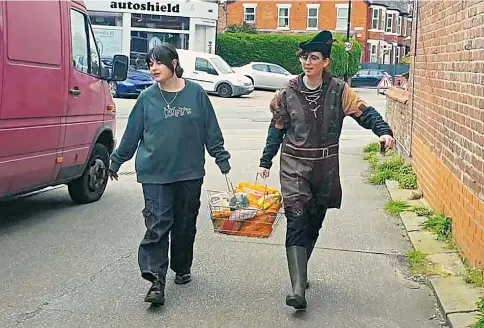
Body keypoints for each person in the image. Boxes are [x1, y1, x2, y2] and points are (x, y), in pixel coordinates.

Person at [257, 30, 395, 310]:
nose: (308, 62)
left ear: (326, 62)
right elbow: (277, 129)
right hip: (294, 164)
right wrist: (265, 161)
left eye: (314, 57)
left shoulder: (339, 90)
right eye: (305, 57)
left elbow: (364, 112)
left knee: (314, 220)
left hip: (325, 167)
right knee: (296, 218)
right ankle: (298, 290)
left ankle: (301, 271)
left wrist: (383, 132)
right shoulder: (287, 91)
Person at [108, 43, 231, 305]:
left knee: (185, 225)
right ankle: (155, 281)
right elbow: (132, 135)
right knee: (157, 225)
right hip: (154, 173)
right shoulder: (147, 98)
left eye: (159, 62)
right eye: (150, 63)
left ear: (174, 64)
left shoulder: (196, 94)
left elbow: (211, 129)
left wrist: (221, 158)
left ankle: (182, 266)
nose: (153, 68)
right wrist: (115, 161)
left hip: (189, 173)